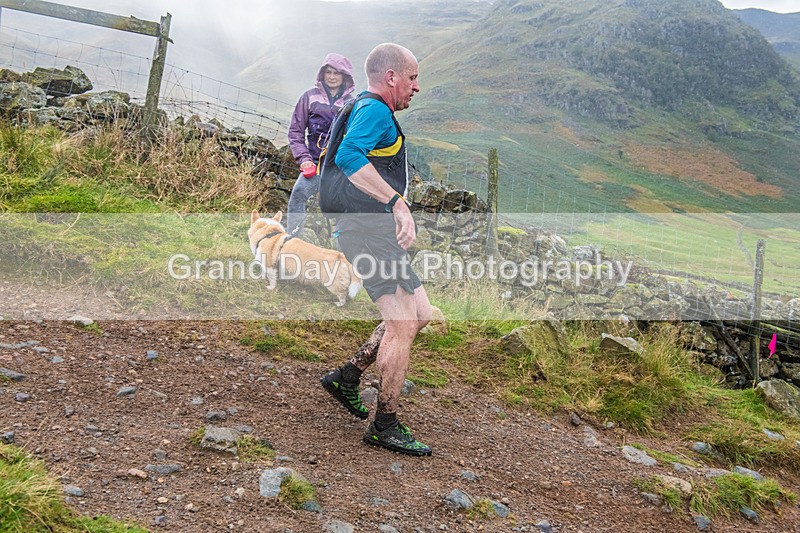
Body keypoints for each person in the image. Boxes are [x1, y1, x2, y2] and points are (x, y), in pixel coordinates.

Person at [319, 43, 433, 456]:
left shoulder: (362, 107)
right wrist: (396, 203)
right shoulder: (375, 111)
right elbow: (349, 155)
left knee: (419, 315)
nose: (416, 87)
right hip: (366, 229)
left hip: (373, 230)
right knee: (401, 325)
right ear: (391, 77)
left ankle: (347, 376)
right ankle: (384, 423)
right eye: (413, 77)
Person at [286, 53, 355, 236]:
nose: (332, 77)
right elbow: (295, 132)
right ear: (322, 74)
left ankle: (345, 250)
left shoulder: (352, 105)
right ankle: (291, 241)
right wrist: (304, 159)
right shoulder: (309, 98)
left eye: (337, 73)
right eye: (328, 72)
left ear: (345, 77)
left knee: (346, 207)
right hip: (315, 164)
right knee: (298, 194)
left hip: (340, 166)